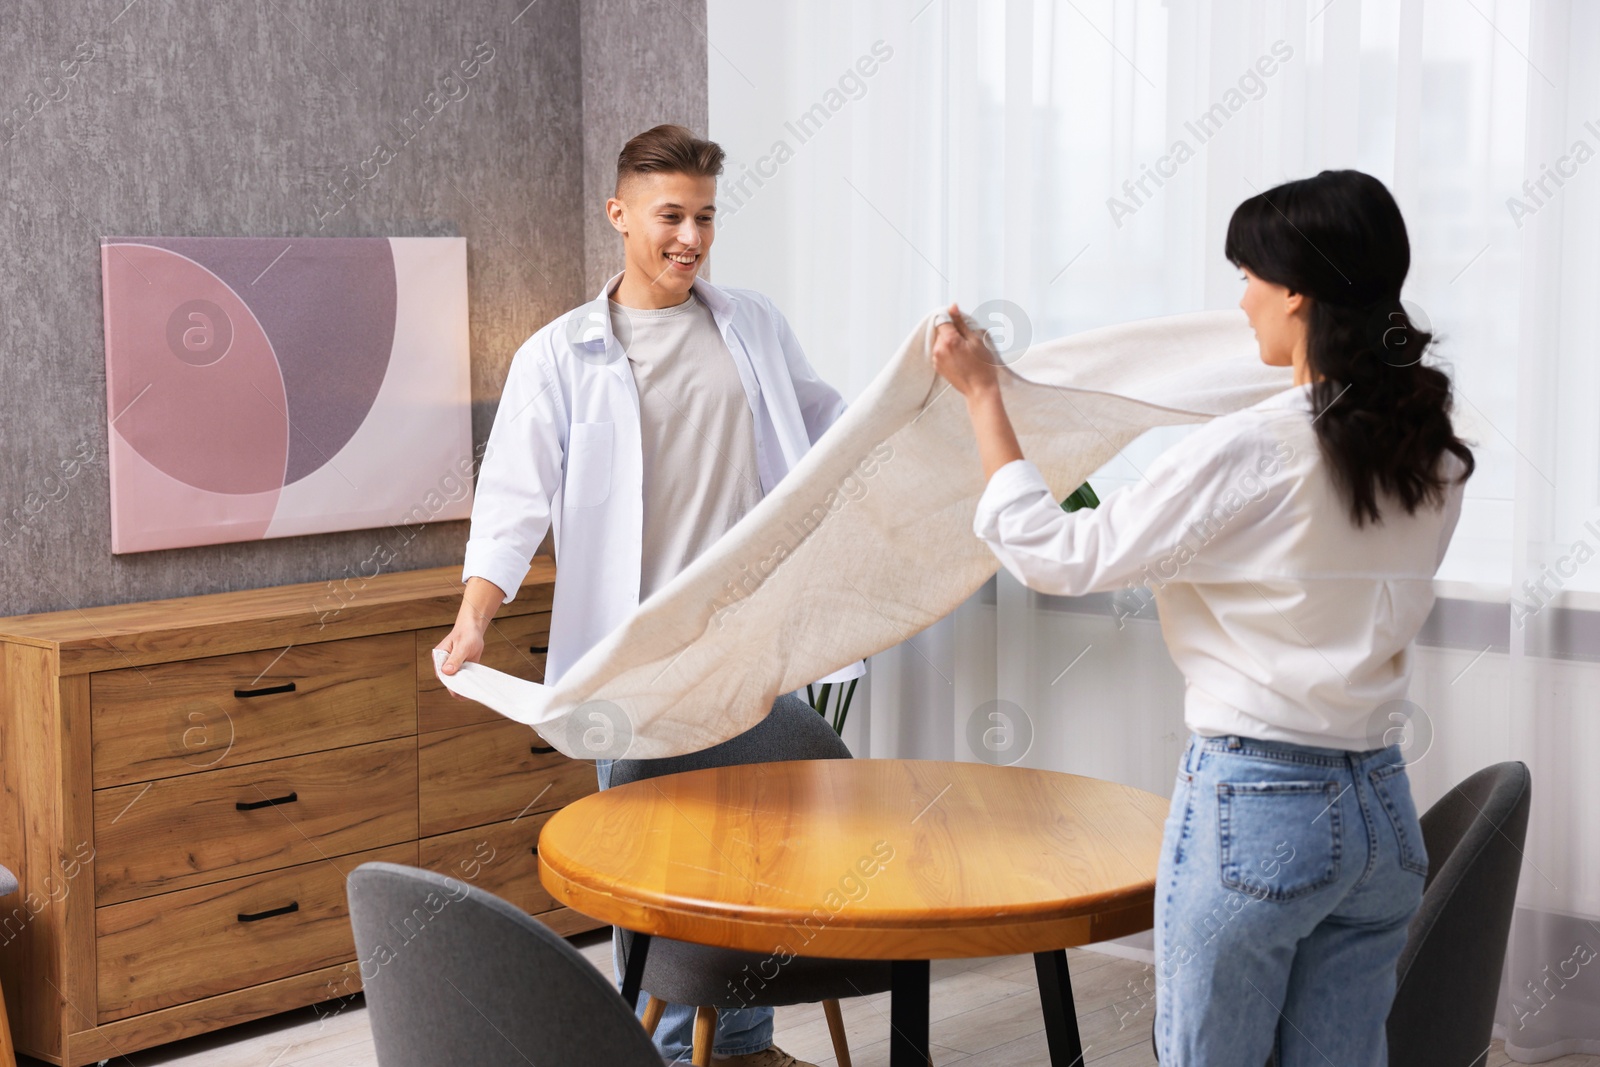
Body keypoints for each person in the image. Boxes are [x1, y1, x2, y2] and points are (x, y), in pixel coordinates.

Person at [929, 169, 1473, 1066]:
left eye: (1251, 274)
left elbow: (1060, 554)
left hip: (1262, 806)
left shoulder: (1256, 444)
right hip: (1380, 808)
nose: (1243, 298)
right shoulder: (1432, 450)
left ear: (1297, 290)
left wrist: (985, 396)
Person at [437, 124, 859, 1067]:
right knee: (654, 869)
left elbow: (828, 427)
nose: (691, 238)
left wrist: (932, 398)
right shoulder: (559, 355)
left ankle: (740, 1044)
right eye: (671, 215)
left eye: (705, 217)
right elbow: (512, 500)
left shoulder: (752, 322)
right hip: (633, 661)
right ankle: (667, 1054)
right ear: (620, 213)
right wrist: (474, 616)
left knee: (756, 855)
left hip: (745, 644)